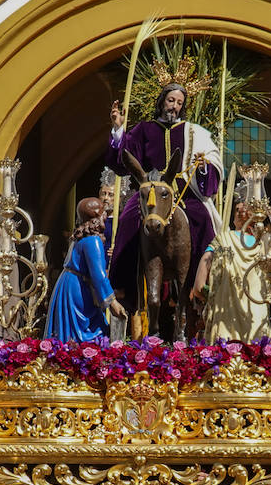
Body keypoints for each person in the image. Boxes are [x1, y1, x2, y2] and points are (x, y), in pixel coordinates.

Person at [105, 82, 222, 307]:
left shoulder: (193, 132)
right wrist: (119, 130)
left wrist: (202, 166)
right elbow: (123, 161)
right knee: (128, 219)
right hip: (150, 188)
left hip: (183, 191)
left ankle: (205, 286)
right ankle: (123, 285)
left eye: (179, 103)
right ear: (162, 101)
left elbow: (211, 170)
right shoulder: (144, 129)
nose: (174, 106)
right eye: (171, 101)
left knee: (203, 220)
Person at [45, 197, 127, 342]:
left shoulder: (79, 237)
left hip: (68, 285)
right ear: (96, 216)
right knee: (93, 333)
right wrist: (112, 303)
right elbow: (99, 276)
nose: (105, 217)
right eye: (103, 213)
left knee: (73, 331)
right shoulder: (92, 241)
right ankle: (85, 361)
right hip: (77, 291)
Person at [190, 195, 270, 342]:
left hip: (239, 312)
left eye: (244, 210)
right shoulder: (225, 239)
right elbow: (206, 261)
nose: (240, 212)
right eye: (237, 210)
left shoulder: (261, 244)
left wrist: (206, 293)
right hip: (238, 311)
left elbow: (199, 283)